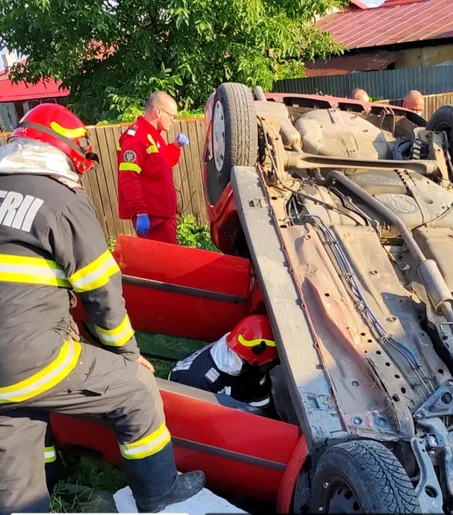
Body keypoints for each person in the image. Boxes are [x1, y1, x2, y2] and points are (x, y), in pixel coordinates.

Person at [0, 104, 205, 514]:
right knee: (137, 390)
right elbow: (100, 290)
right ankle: (159, 491)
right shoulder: (59, 198)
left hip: (8, 367)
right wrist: (128, 354)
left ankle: (44, 491)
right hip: (24, 357)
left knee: (16, 417)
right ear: (66, 154)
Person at [117, 91, 189, 245]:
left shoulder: (154, 136)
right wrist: (141, 212)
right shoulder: (135, 138)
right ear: (158, 112)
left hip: (164, 215)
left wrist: (176, 146)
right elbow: (128, 178)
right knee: (168, 265)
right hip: (152, 219)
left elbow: (162, 164)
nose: (173, 121)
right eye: (172, 116)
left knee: (171, 262)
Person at [169, 315, 278, 412]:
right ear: (256, 360)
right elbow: (187, 416)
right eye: (273, 362)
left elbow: (260, 404)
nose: (274, 365)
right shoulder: (196, 382)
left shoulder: (242, 356)